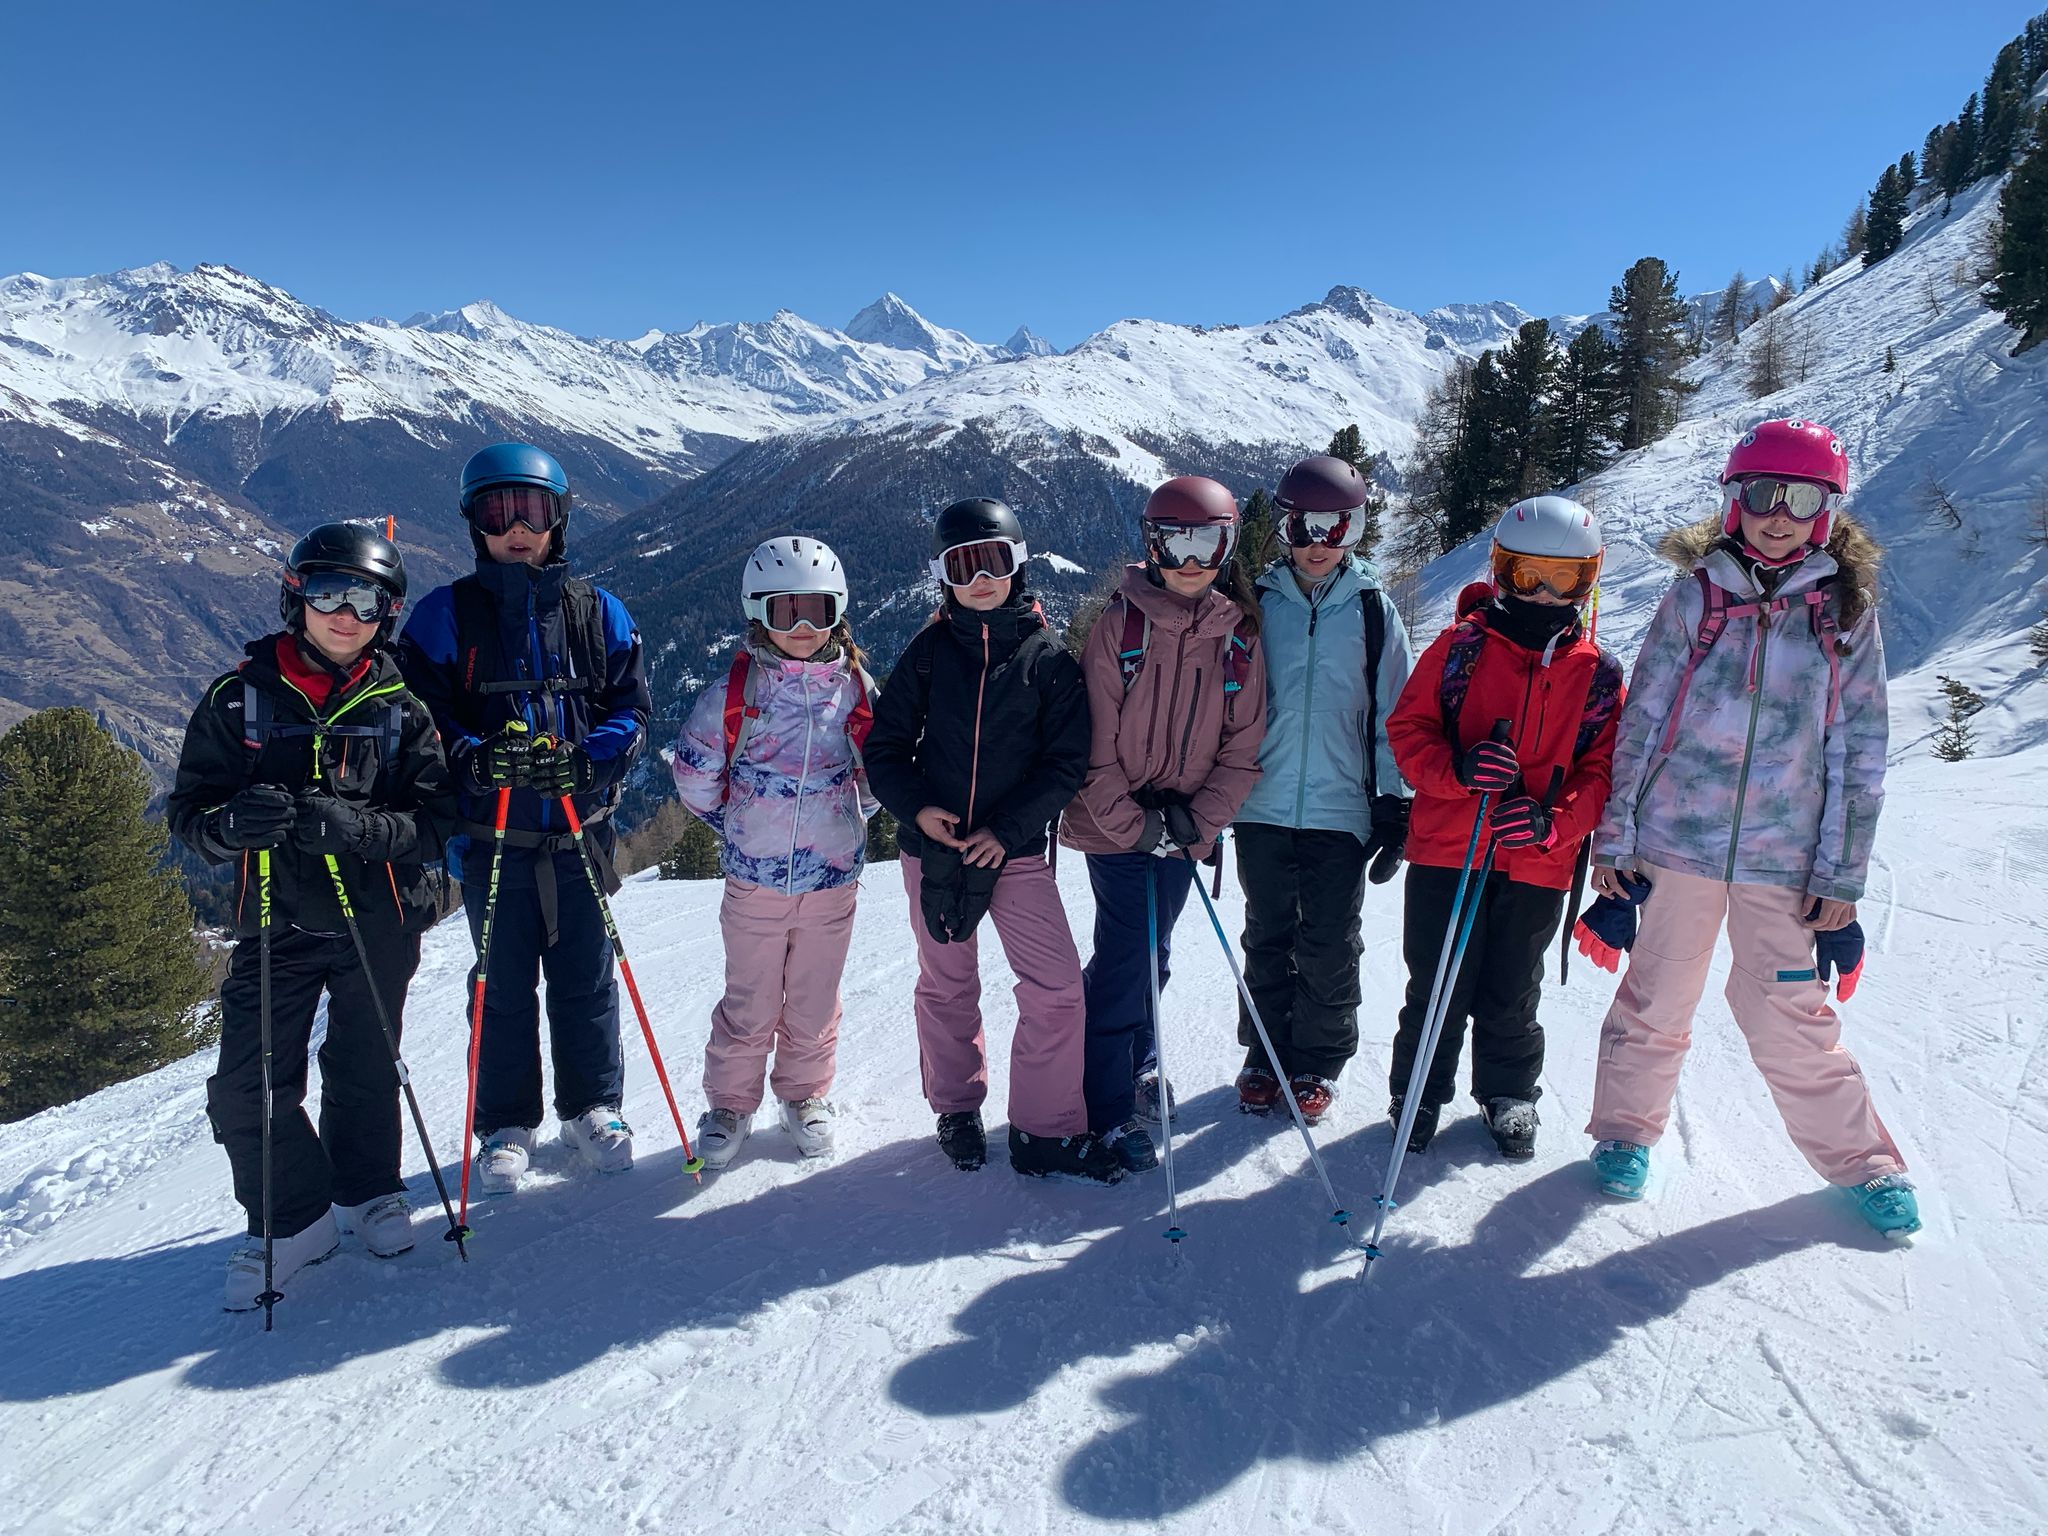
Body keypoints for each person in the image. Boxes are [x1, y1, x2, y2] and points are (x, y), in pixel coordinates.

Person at [1583, 419, 1918, 1238]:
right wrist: (1615, 837)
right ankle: (1626, 1131)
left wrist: (1840, 875)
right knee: (1657, 996)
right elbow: (1643, 718)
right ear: (1735, 500)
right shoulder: (1696, 595)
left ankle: (1864, 1162)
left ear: (1826, 512)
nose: (1779, 515)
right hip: (1676, 843)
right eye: (1764, 494)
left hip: (1783, 855)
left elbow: (1860, 748)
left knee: (1792, 1016)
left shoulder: (1845, 611)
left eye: (1801, 500)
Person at [170, 524, 452, 1311]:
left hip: (377, 920)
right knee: (247, 1084)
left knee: (366, 1065)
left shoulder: (401, 710)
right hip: (276, 919)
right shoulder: (239, 701)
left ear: (387, 615)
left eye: (367, 600)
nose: (346, 614)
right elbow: (190, 813)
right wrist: (231, 825)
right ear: (295, 598)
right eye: (329, 592)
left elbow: (437, 825)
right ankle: (294, 1219)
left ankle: (368, 1191)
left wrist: (361, 830)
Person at [396, 442, 651, 1195]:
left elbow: (631, 710)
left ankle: (592, 1107)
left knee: (586, 974)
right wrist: (476, 759)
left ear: (557, 520)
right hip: (492, 839)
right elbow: (418, 718)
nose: (516, 527)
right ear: (473, 521)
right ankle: (506, 1123)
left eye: (532, 510)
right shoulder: (445, 616)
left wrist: (588, 762)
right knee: (501, 983)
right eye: (497, 510)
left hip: (578, 830)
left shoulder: (596, 612)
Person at [863, 497, 1114, 1183]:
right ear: (943, 576)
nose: (979, 580)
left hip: (1014, 853)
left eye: (993, 563)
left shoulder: (1047, 661)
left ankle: (1044, 1128)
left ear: (1017, 565)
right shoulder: (928, 654)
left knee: (1056, 988)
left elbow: (1065, 763)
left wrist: (1007, 831)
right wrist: (919, 812)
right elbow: (884, 748)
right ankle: (956, 1108)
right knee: (948, 984)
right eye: (962, 566)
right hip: (936, 851)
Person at [1385, 495, 1624, 1159]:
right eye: (1528, 575)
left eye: (1564, 578)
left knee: (1514, 986)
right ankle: (1418, 1092)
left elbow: (1601, 773)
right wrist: (1458, 770)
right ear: (1500, 571)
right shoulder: (1460, 649)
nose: (1544, 593)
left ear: (1588, 580)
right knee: (1438, 981)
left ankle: (1508, 1091)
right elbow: (1408, 731)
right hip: (1449, 850)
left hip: (1535, 860)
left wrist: (1553, 824)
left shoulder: (1598, 675)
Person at [1059, 476, 1268, 1171]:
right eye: (1175, 544)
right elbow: (1092, 744)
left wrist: (1196, 823)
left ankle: (1137, 1058)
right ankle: (1104, 1106)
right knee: (1128, 956)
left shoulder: (1238, 638)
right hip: (1114, 822)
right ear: (1152, 546)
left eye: (1207, 544)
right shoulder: (1121, 626)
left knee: (1155, 949)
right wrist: (1135, 824)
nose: (1191, 561)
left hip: (1183, 826)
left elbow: (1241, 751)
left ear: (1228, 547)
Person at [671, 537, 876, 1170]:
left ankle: (805, 1094)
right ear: (758, 613)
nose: (804, 627)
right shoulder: (736, 692)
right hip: (754, 881)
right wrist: (740, 826)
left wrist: (843, 821)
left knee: (814, 996)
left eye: (819, 610)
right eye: (787, 612)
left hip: (831, 880)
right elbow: (695, 774)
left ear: (838, 610)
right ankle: (731, 1104)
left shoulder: (857, 690)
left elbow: (877, 773)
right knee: (750, 999)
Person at [1229, 454, 1415, 1124]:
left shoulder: (1372, 610)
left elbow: (1395, 713)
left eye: (1336, 529)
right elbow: (1224, 702)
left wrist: (1395, 802)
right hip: (1262, 801)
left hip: (1342, 805)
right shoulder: (1255, 604)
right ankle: (1265, 1052)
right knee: (1268, 933)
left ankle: (1318, 1059)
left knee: (1330, 940)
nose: (1318, 544)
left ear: (1356, 530)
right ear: (1283, 528)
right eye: (1302, 527)